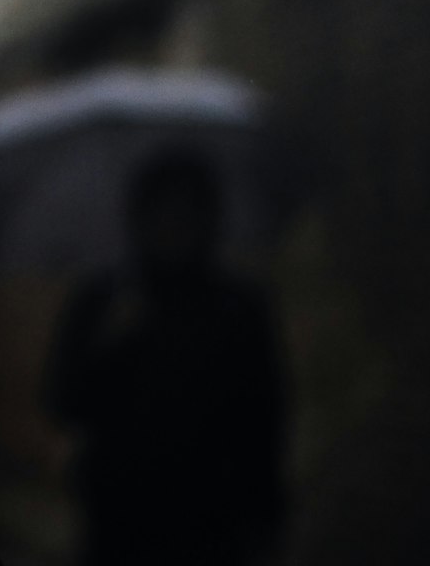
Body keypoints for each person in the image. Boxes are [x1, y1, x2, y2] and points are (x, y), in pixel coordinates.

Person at [45, 146, 288, 566]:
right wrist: (112, 343)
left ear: (210, 218)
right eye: (163, 210)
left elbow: (265, 417)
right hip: (120, 526)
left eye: (189, 210)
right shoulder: (104, 299)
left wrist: (265, 519)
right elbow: (63, 402)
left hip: (217, 528)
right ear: (140, 217)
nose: (176, 224)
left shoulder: (239, 306)